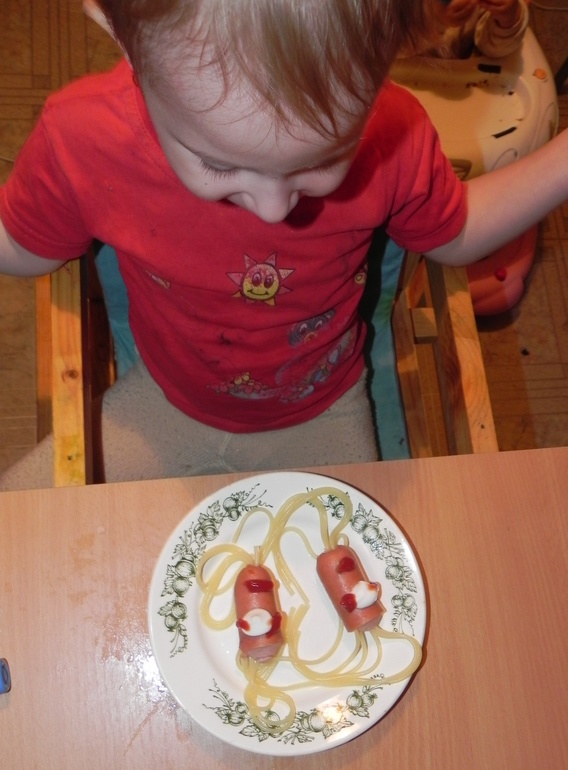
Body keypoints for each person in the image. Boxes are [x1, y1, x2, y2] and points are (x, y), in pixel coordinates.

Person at [0, 0, 567, 490]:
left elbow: (456, 230)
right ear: (125, 40)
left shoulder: (396, 131)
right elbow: (23, 249)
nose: (276, 210)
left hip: (325, 413)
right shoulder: (84, 137)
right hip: (163, 404)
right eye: (219, 164)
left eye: (325, 158)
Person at [417, 0, 529, 59]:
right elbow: (406, 50)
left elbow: (496, 51)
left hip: (464, 77)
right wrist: (438, 21)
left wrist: (509, 18)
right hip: (413, 77)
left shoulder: (479, 7)